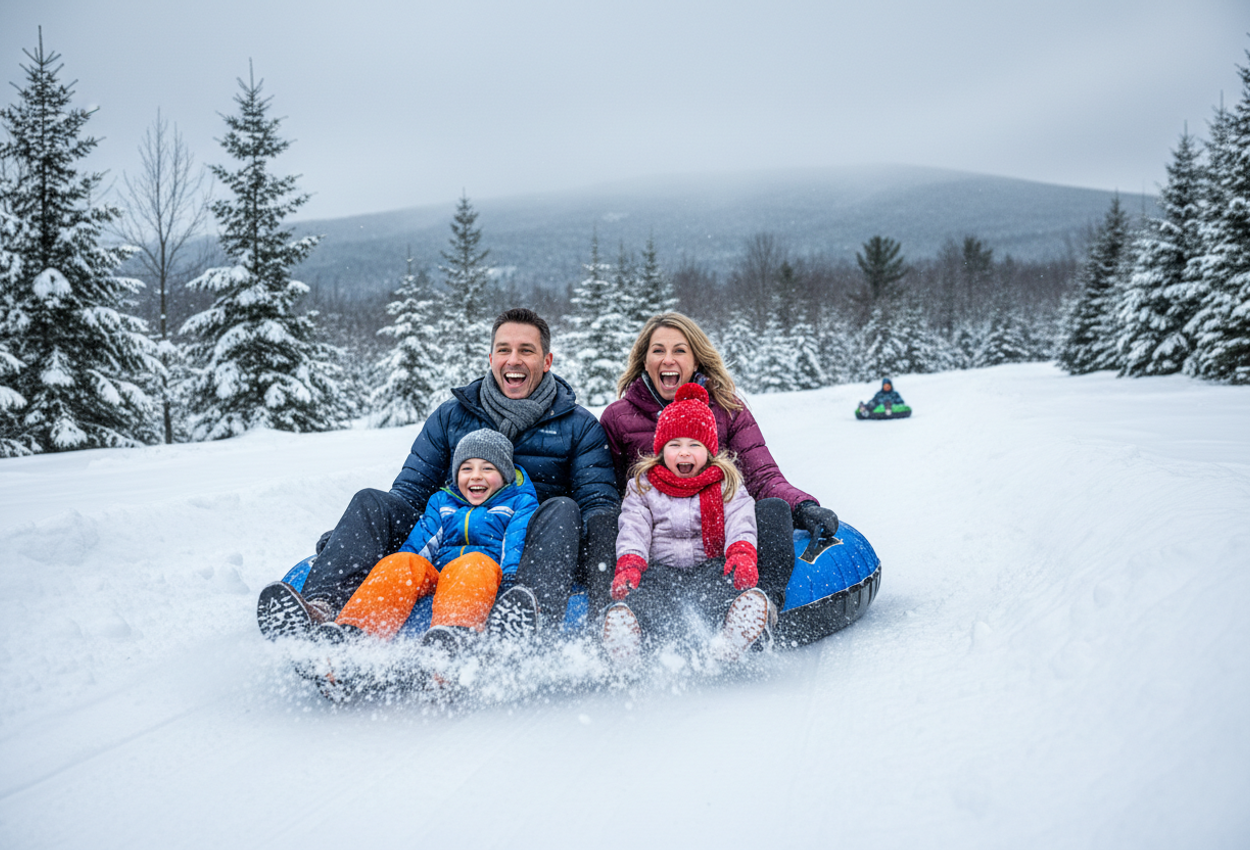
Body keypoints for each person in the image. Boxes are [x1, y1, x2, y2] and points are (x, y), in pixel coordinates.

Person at [257, 308, 619, 644]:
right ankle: (322, 609)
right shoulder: (452, 417)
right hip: (450, 532)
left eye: (526, 350)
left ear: (547, 360)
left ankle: (523, 615)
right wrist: (353, 539)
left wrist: (600, 575)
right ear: (491, 358)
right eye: (504, 349)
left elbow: (597, 503)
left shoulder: (577, 426)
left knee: (564, 508)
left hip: (529, 547)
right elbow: (410, 492)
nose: (514, 360)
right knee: (371, 501)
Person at [598, 313, 839, 615]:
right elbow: (609, 493)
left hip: (718, 548)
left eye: (680, 350)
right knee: (604, 520)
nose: (668, 359)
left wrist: (802, 507)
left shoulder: (727, 409)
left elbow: (762, 476)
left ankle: (760, 611)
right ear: (644, 361)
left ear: (697, 360)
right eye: (658, 350)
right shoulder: (618, 418)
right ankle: (620, 614)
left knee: (773, 509)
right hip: (656, 547)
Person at [309, 429, 539, 652]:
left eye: (488, 468)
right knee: (402, 561)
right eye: (466, 468)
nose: (475, 476)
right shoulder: (442, 501)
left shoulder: (518, 502)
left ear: (505, 475)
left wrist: (510, 586)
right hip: (439, 575)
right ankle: (352, 641)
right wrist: (399, 571)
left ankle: (452, 641)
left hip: (483, 577)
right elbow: (419, 544)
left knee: (473, 562)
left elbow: (515, 546)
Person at [602, 383, 770, 664]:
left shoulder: (725, 484)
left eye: (695, 445)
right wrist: (630, 565)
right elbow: (634, 528)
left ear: (709, 450)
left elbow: (741, 520)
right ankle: (628, 639)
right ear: (660, 449)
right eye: (674, 445)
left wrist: (741, 554)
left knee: (724, 592)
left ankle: (731, 638)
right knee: (643, 599)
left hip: (710, 567)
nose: (684, 453)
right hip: (659, 571)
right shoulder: (643, 486)